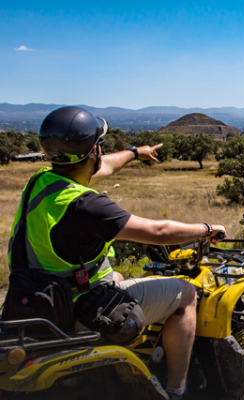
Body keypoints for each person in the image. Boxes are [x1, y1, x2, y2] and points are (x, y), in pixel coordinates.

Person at [7, 106, 226, 400]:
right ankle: (178, 389)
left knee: (118, 273)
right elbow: (159, 232)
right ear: (93, 151)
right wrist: (206, 227)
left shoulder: (42, 182)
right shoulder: (87, 206)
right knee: (186, 294)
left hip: (39, 298)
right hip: (76, 308)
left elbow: (106, 166)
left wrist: (136, 152)